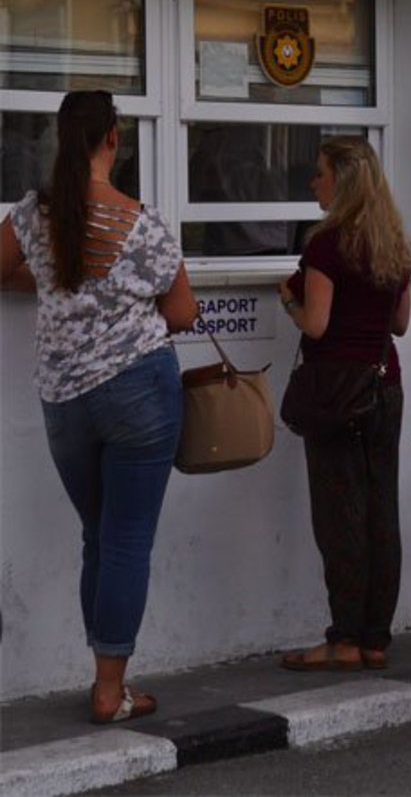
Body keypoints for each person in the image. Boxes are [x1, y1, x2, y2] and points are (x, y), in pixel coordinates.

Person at [0, 90, 198, 723]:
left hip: (64, 400)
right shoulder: (142, 224)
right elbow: (182, 313)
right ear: (114, 138)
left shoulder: (34, 215)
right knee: (125, 542)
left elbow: (3, 269)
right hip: (139, 390)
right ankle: (110, 690)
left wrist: (53, 276)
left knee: (100, 535)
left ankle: (106, 678)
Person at [278, 136, 411, 672]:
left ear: (343, 180)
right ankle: (376, 637)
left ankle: (344, 639)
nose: (314, 182)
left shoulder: (327, 246)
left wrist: (288, 298)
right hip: (385, 386)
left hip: (337, 392)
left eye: (320, 172)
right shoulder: (394, 243)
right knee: (382, 511)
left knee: (340, 517)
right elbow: (400, 323)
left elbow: (317, 325)